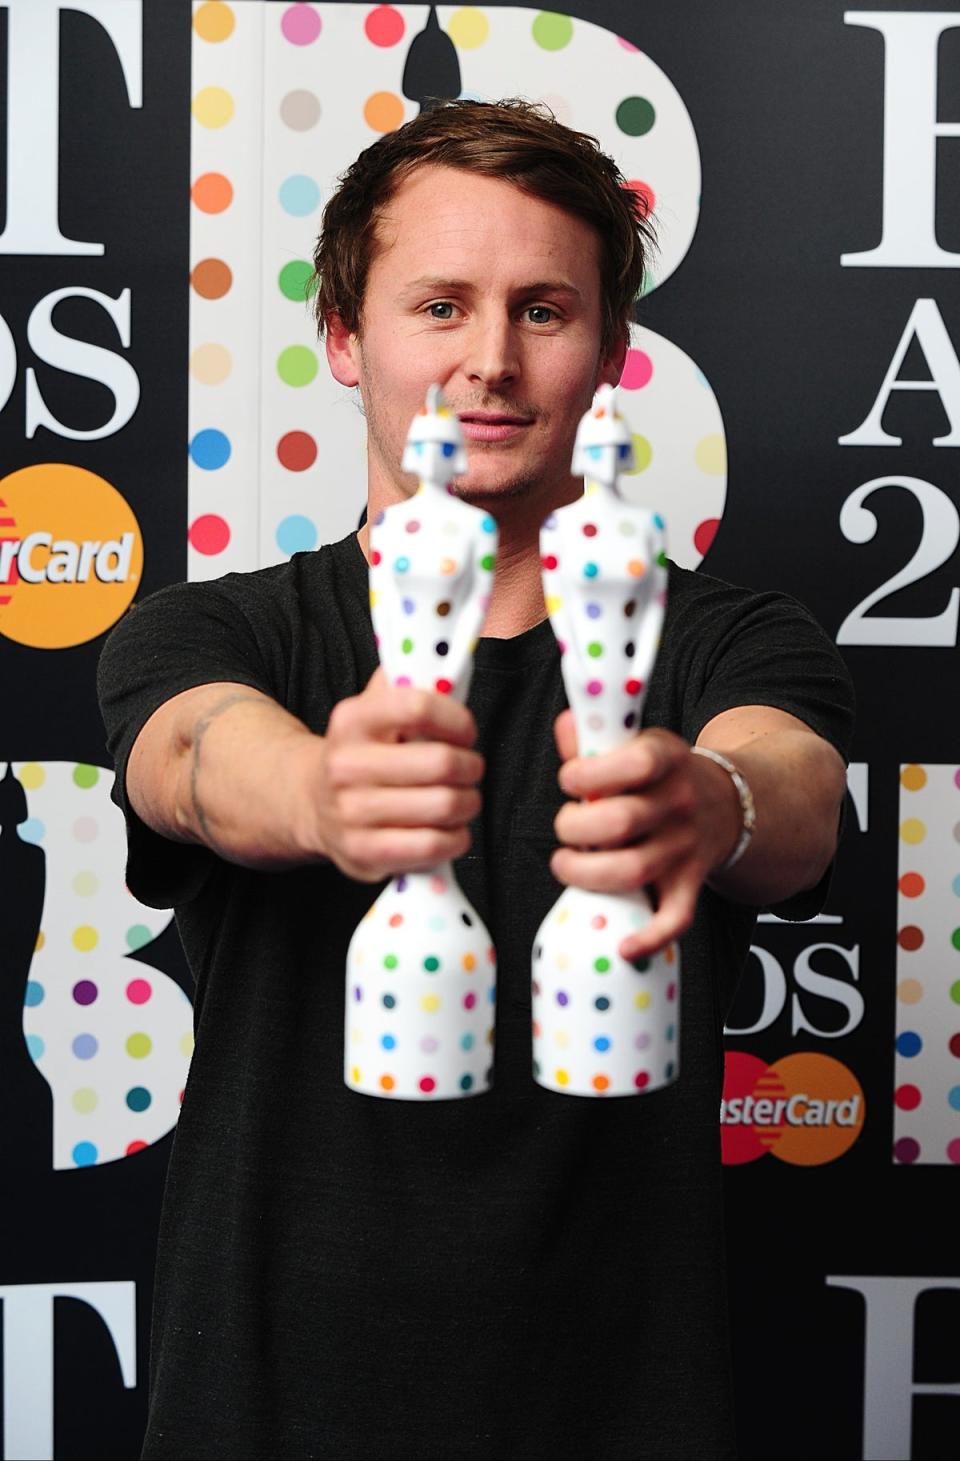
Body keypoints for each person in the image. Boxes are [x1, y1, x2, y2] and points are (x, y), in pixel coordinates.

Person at [99, 100, 854, 1460]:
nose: (489, 362)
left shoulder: (728, 639)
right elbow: (195, 759)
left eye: (545, 310)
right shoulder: (219, 633)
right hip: (267, 1405)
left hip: (626, 1405)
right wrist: (323, 791)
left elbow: (788, 786)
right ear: (344, 336)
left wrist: (711, 804)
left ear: (614, 350)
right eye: (439, 306)